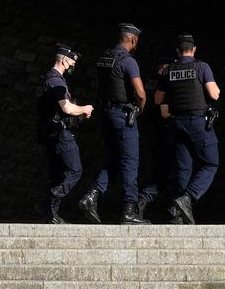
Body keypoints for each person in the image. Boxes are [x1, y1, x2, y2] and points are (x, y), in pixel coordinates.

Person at [78, 23, 148, 224]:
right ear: (133, 40)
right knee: (130, 160)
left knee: (113, 159)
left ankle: (91, 196)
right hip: (123, 115)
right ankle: (129, 210)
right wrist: (139, 109)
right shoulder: (128, 61)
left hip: (106, 114)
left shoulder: (104, 58)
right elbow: (140, 93)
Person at [154, 33, 221, 224]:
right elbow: (214, 94)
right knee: (211, 163)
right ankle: (187, 198)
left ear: (177, 50)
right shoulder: (202, 67)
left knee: (183, 168)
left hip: (177, 124)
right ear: (194, 49)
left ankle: (178, 216)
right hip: (198, 122)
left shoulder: (169, 70)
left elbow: (158, 99)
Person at [36, 43, 94, 224]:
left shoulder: (49, 78)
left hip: (52, 133)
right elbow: (66, 108)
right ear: (63, 59)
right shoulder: (55, 80)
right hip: (60, 133)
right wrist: (84, 108)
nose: (73, 66)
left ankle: (51, 214)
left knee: (57, 173)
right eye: (71, 62)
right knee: (74, 170)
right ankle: (50, 201)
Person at [136, 55, 177, 221]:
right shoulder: (165, 84)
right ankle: (175, 211)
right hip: (165, 134)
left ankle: (144, 202)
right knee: (173, 172)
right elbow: (165, 112)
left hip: (150, 135)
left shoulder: (149, 82)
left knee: (161, 173)